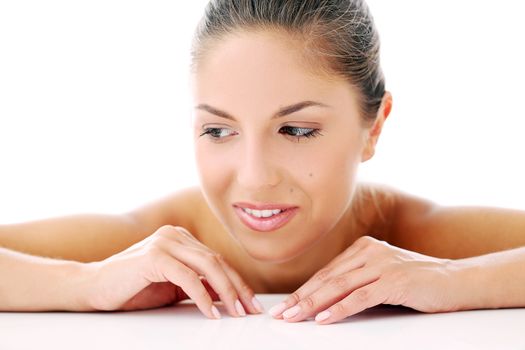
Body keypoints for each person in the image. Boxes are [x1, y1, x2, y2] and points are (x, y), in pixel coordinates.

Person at [1, 0, 525, 325]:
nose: (253, 177)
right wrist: (86, 285)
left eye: (296, 130)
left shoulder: (416, 235)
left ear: (376, 126)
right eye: (218, 130)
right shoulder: (160, 240)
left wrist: (457, 280)